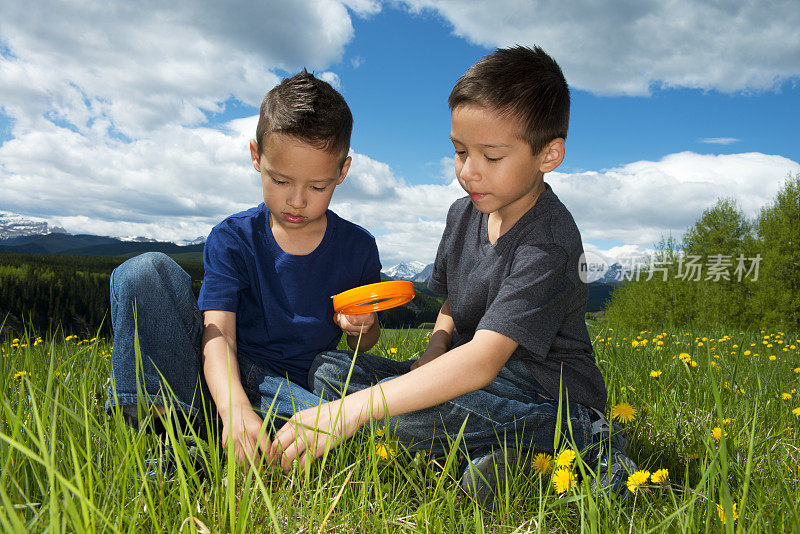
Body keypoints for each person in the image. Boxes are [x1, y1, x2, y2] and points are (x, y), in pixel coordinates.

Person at [268, 46, 636, 505]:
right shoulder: (463, 214)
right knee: (329, 371)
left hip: (541, 390)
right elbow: (451, 304)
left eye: (492, 156)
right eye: (460, 151)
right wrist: (434, 349)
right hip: (466, 376)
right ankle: (492, 454)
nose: (469, 172)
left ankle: (583, 437)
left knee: (375, 409)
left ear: (549, 154)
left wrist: (353, 412)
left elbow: (483, 361)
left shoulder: (550, 240)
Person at [105, 70, 382, 469]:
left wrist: (364, 329)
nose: (297, 200)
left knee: (353, 434)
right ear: (257, 156)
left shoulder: (358, 247)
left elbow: (364, 346)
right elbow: (220, 337)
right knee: (144, 272)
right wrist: (233, 407)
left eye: (318, 187)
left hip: (293, 391)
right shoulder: (233, 238)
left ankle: (213, 446)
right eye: (281, 180)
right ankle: (165, 435)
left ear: (342, 172)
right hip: (218, 376)